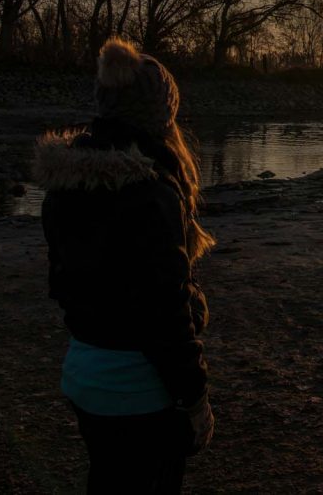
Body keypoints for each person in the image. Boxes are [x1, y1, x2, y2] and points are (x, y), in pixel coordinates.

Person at [35, 38, 216, 492]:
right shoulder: (152, 192)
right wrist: (194, 397)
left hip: (84, 375)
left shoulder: (66, 183)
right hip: (138, 390)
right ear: (161, 117)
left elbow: (65, 285)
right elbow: (165, 313)